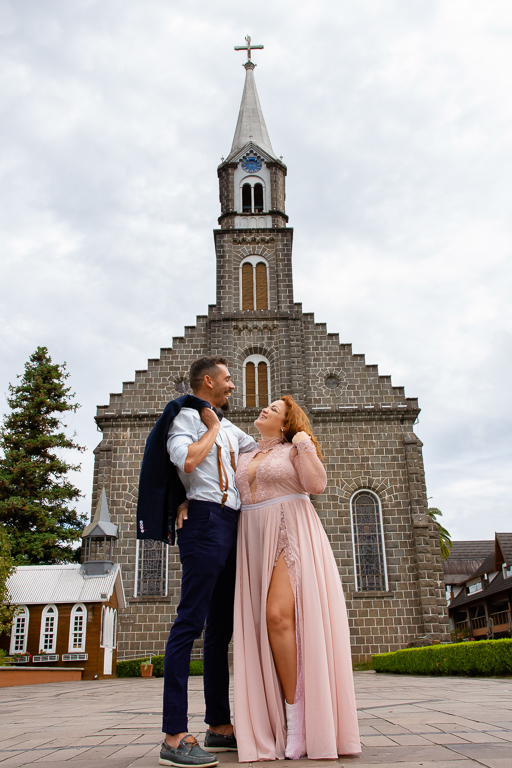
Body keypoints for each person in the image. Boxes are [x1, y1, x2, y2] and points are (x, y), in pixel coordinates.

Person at [137, 356, 257, 768]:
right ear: (208, 381)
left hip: (232, 521)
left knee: (221, 628)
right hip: (203, 519)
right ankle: (173, 735)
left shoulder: (228, 425)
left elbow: (256, 450)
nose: (233, 387)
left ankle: (218, 726)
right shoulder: (186, 418)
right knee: (190, 623)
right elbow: (186, 461)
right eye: (227, 379)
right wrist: (209, 429)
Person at [233, 395, 361, 761]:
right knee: (266, 624)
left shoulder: (293, 449)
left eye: (273, 409)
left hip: (290, 530)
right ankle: (280, 720)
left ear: (287, 422)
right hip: (253, 536)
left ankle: (297, 717)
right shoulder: (244, 453)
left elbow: (317, 485)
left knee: (278, 617)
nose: (264, 409)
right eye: (266, 407)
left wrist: (304, 444)